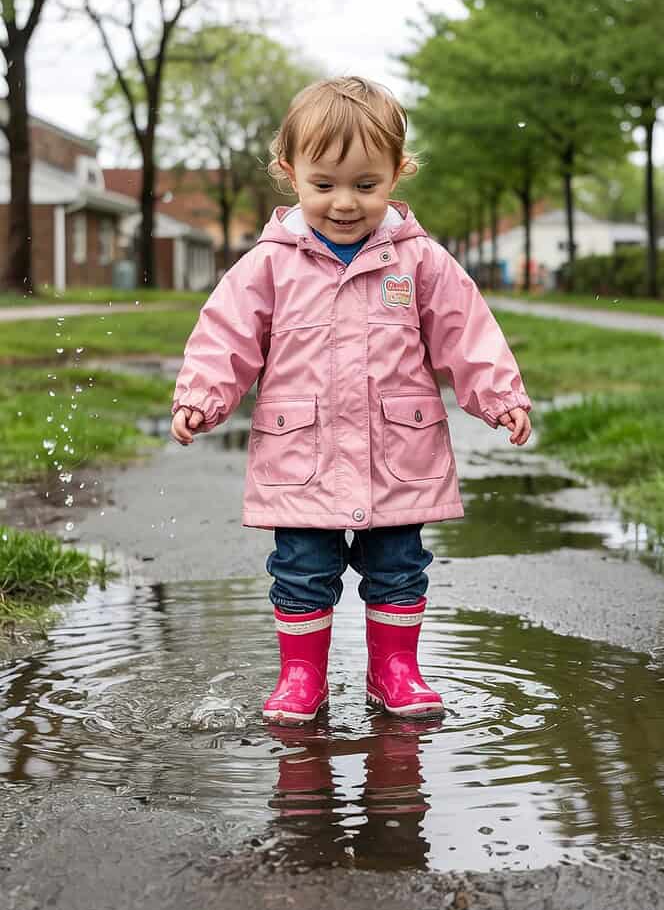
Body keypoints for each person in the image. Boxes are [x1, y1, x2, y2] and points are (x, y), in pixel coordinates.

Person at [170, 76, 532, 726]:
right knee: (301, 569)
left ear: (397, 172)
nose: (344, 202)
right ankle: (300, 675)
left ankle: (393, 668)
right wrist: (202, 395)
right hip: (300, 454)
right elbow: (226, 332)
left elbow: (465, 330)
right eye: (324, 184)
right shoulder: (269, 264)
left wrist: (499, 395)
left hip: (398, 452)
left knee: (398, 566)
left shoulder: (416, 260)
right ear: (290, 174)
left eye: (365, 185)